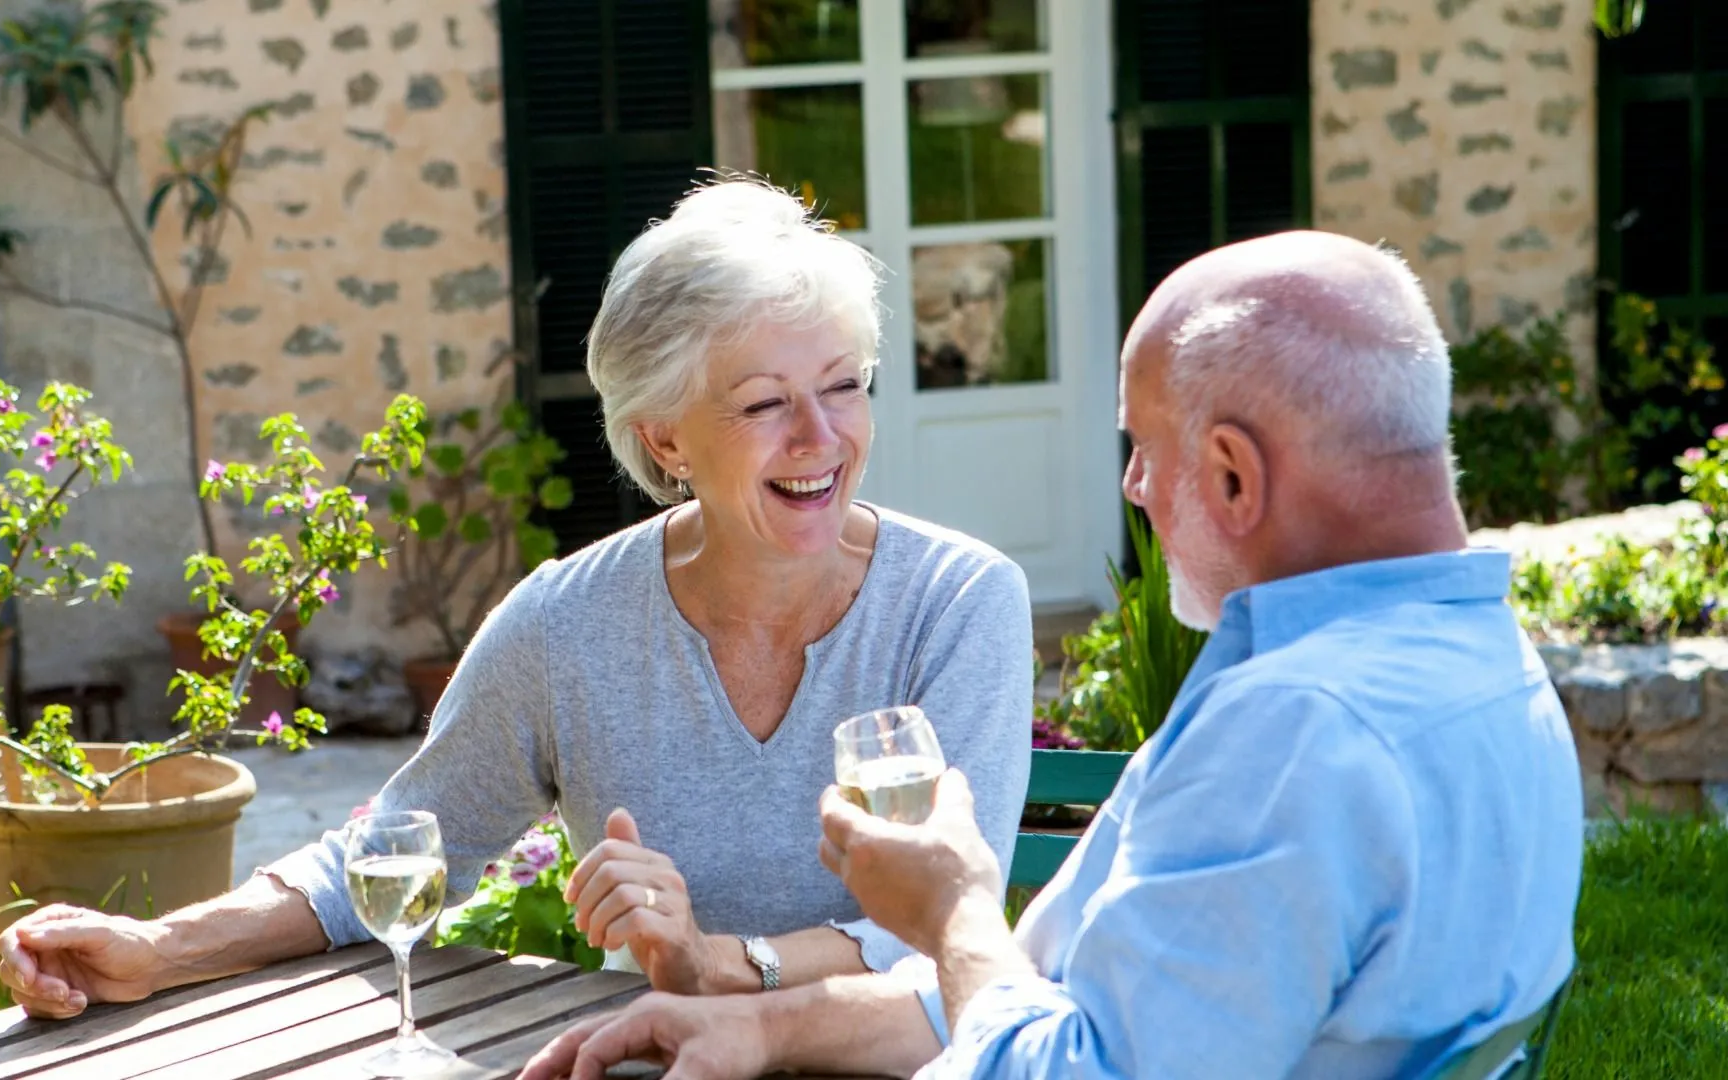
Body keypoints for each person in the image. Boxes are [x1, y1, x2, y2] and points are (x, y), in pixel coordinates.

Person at [521, 230, 1586, 1079]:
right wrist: (765, 1034)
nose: (1130, 487)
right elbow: (1024, 990)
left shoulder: (1297, 735)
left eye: (1143, 449)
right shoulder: (1488, 671)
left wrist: (952, 909)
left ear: (1229, 475)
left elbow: (1052, 1058)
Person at [0, 179, 1034, 1018]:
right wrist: (156, 947)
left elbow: (941, 920)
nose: (822, 437)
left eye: (844, 384)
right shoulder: (564, 625)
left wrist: (719, 966)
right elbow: (395, 855)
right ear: (665, 438)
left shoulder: (958, 602)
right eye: (765, 403)